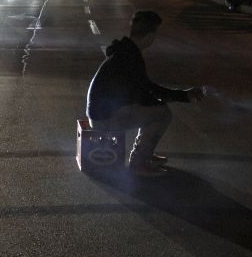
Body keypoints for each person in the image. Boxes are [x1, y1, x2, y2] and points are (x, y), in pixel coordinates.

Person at [86, 10, 203, 176]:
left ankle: (144, 153)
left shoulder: (123, 50)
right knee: (163, 115)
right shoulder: (130, 57)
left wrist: (165, 99)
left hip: (101, 112)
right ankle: (138, 162)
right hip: (105, 118)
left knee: (156, 108)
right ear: (150, 35)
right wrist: (183, 96)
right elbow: (147, 89)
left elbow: (142, 90)